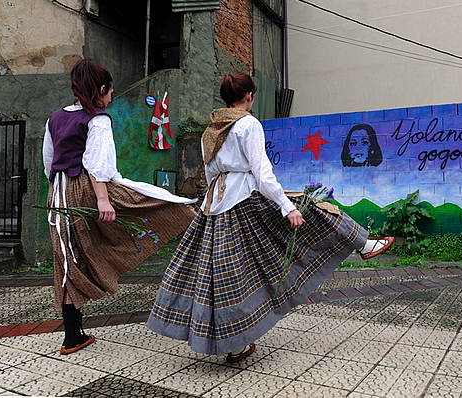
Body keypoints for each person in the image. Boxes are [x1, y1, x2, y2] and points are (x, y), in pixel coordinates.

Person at [147, 73, 393, 361]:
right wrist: (285, 206)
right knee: (311, 208)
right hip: (246, 199)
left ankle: (235, 345)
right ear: (249, 95)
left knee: (224, 273)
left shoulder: (210, 130)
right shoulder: (248, 124)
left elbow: (209, 173)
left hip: (215, 207)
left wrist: (212, 203)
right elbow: (262, 173)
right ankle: (363, 244)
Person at [43, 59, 196, 355]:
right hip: (86, 188)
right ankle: (181, 218)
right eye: (110, 92)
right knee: (143, 206)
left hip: (58, 194)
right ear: (101, 90)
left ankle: (73, 335)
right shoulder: (98, 119)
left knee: (66, 258)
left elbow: (49, 163)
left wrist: (58, 190)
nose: (111, 98)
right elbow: (98, 166)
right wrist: (102, 199)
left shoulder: (54, 118)